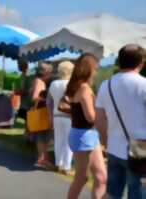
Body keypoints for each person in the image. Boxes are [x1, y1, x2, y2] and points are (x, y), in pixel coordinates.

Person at [95, 44, 146, 199]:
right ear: (141, 63)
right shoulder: (144, 84)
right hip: (140, 149)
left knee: (112, 193)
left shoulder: (106, 85)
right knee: (137, 193)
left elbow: (99, 118)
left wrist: (105, 141)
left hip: (114, 145)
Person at [66, 53, 107, 199]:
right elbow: (90, 117)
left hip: (81, 134)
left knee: (97, 177)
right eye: (95, 68)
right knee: (90, 178)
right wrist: (104, 118)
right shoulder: (84, 88)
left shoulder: (75, 86)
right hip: (85, 135)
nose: (95, 72)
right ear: (88, 69)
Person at [48, 61, 74, 175]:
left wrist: (50, 115)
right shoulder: (72, 84)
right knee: (69, 142)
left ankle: (58, 163)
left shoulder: (54, 83)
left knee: (58, 140)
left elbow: (49, 101)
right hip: (69, 115)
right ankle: (67, 167)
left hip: (56, 114)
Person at [26, 61, 54, 169]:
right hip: (40, 112)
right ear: (45, 72)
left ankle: (42, 158)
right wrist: (46, 98)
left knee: (40, 136)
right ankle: (43, 159)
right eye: (50, 72)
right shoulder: (40, 82)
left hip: (37, 111)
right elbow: (35, 98)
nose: (50, 75)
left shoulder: (36, 80)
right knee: (42, 136)